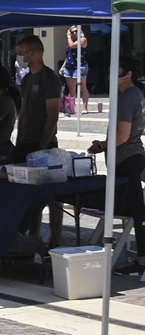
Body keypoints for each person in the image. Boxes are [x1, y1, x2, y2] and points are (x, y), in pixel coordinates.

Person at [86, 56, 145, 277]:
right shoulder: (133, 94)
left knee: (135, 212)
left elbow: (122, 136)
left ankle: (141, 261)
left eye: (116, 70)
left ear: (128, 73)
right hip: (131, 157)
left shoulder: (127, 97)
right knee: (133, 211)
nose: (112, 74)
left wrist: (101, 145)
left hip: (128, 158)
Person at [15, 35, 63, 244]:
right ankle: (32, 236)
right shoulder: (26, 79)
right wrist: (18, 136)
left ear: (32, 53)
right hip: (25, 141)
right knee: (28, 195)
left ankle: (56, 238)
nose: (20, 56)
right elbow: (23, 111)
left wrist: (42, 145)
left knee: (52, 196)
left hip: (44, 144)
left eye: (22, 52)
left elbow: (53, 115)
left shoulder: (49, 78)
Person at [60, 26, 90, 115]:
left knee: (82, 87)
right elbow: (68, 56)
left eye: (76, 31)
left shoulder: (83, 40)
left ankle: (85, 108)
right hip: (69, 67)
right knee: (71, 88)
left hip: (80, 67)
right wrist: (62, 67)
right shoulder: (71, 42)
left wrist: (68, 37)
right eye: (72, 32)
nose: (74, 33)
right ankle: (72, 108)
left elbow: (72, 46)